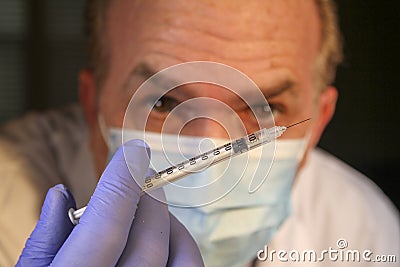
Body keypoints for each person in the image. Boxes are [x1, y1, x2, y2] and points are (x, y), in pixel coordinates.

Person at [0, 0, 398, 266]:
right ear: (93, 107)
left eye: (267, 108)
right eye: (164, 103)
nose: (214, 151)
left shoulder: (358, 224)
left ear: (318, 122)